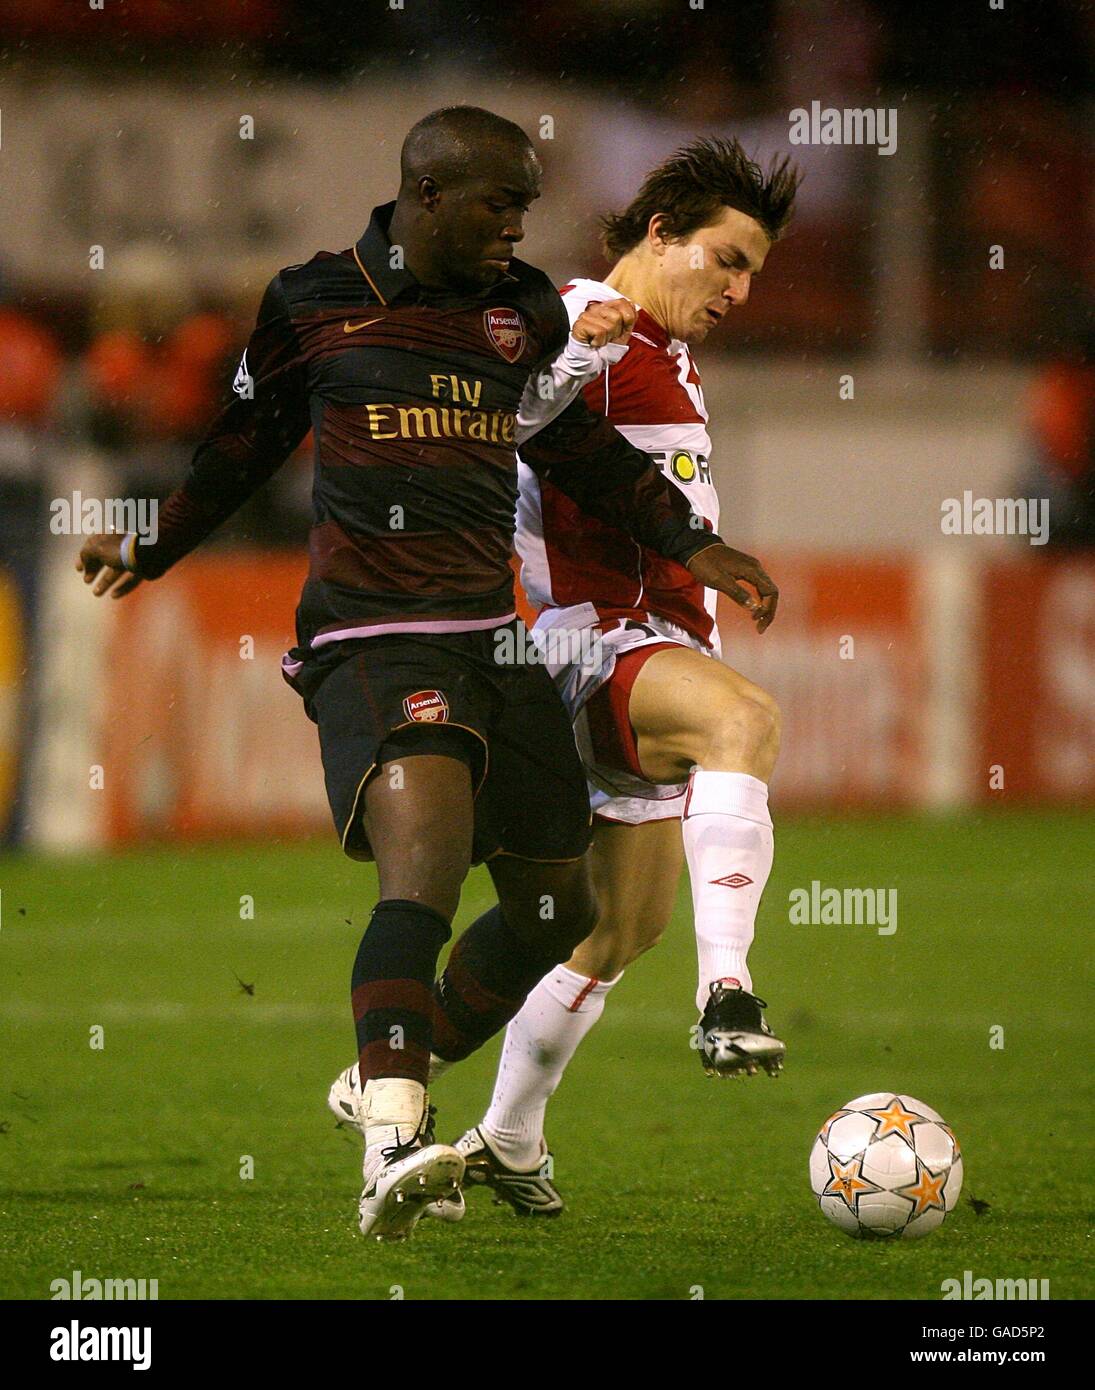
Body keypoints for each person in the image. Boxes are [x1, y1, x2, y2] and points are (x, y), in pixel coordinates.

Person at [77, 109, 775, 1242]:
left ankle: (384, 1068)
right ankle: (395, 1140)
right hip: (374, 636)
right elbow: (244, 443)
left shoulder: (519, 314)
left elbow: (570, 444)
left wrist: (697, 546)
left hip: (494, 641)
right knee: (427, 871)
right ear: (428, 194)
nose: (517, 228)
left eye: (528, 209)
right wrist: (151, 545)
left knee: (563, 905)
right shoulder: (311, 300)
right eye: (499, 206)